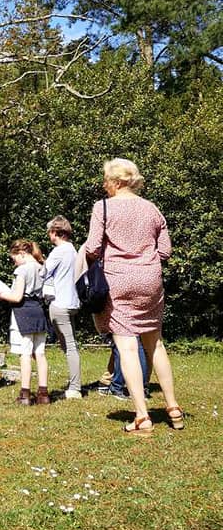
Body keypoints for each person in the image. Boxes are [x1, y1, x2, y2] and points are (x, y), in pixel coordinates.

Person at [84, 158, 184, 434]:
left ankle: (142, 415)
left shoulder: (103, 207)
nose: (104, 184)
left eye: (106, 179)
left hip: (118, 280)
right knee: (156, 344)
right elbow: (165, 251)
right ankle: (173, 408)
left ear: (116, 182)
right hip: (150, 280)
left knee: (127, 348)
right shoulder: (151, 208)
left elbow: (92, 248)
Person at [0, 240, 49, 406]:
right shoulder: (42, 267)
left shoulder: (22, 270)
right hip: (39, 310)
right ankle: (43, 394)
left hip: (23, 312)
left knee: (25, 354)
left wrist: (1, 294)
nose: (14, 263)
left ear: (22, 254)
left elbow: (17, 297)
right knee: (40, 353)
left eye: (15, 258)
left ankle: (25, 394)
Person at [43, 216, 82, 399]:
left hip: (60, 303)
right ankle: (74, 384)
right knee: (70, 345)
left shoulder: (58, 251)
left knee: (70, 347)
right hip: (72, 302)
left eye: (49, 232)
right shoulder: (73, 250)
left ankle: (75, 388)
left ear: (55, 232)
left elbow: (43, 272)